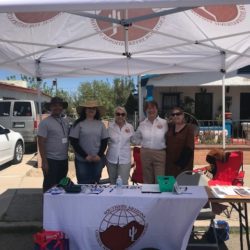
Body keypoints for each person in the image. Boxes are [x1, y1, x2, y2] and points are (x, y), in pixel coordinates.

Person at [69, 100, 108, 184]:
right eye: (89, 108)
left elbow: (104, 141)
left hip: (97, 159)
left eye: (94, 108)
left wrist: (99, 155)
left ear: (96, 111)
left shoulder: (100, 124)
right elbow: (74, 142)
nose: (91, 110)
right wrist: (85, 156)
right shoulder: (78, 124)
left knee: (96, 183)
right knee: (83, 183)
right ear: (85, 110)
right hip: (82, 160)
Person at [37, 97, 69, 192]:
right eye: (55, 105)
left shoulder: (64, 121)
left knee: (61, 184)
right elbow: (41, 142)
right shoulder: (45, 123)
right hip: (51, 160)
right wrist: (44, 161)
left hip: (63, 159)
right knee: (49, 186)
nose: (57, 107)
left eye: (60, 105)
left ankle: (58, 205)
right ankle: (47, 206)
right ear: (50, 107)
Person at [132, 100, 168, 184]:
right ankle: (149, 195)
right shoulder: (142, 124)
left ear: (157, 109)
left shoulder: (164, 123)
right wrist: (142, 142)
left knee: (160, 179)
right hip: (145, 153)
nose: (151, 110)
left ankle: (159, 197)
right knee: (147, 179)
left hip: (160, 153)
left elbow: (169, 137)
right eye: (148, 108)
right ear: (145, 110)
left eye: (153, 108)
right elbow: (135, 139)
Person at [106, 106, 134, 185]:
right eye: (118, 114)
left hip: (125, 159)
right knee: (112, 183)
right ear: (115, 115)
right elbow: (105, 141)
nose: (120, 116)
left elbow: (134, 141)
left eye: (123, 114)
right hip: (111, 158)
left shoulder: (130, 127)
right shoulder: (110, 127)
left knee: (123, 183)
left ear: (125, 115)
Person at [165, 107, 195, 178]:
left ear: (183, 115)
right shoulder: (169, 127)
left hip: (183, 166)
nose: (175, 116)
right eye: (173, 114)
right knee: (169, 188)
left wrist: (179, 165)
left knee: (182, 187)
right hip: (169, 166)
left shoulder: (189, 128)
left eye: (178, 114)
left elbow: (189, 148)